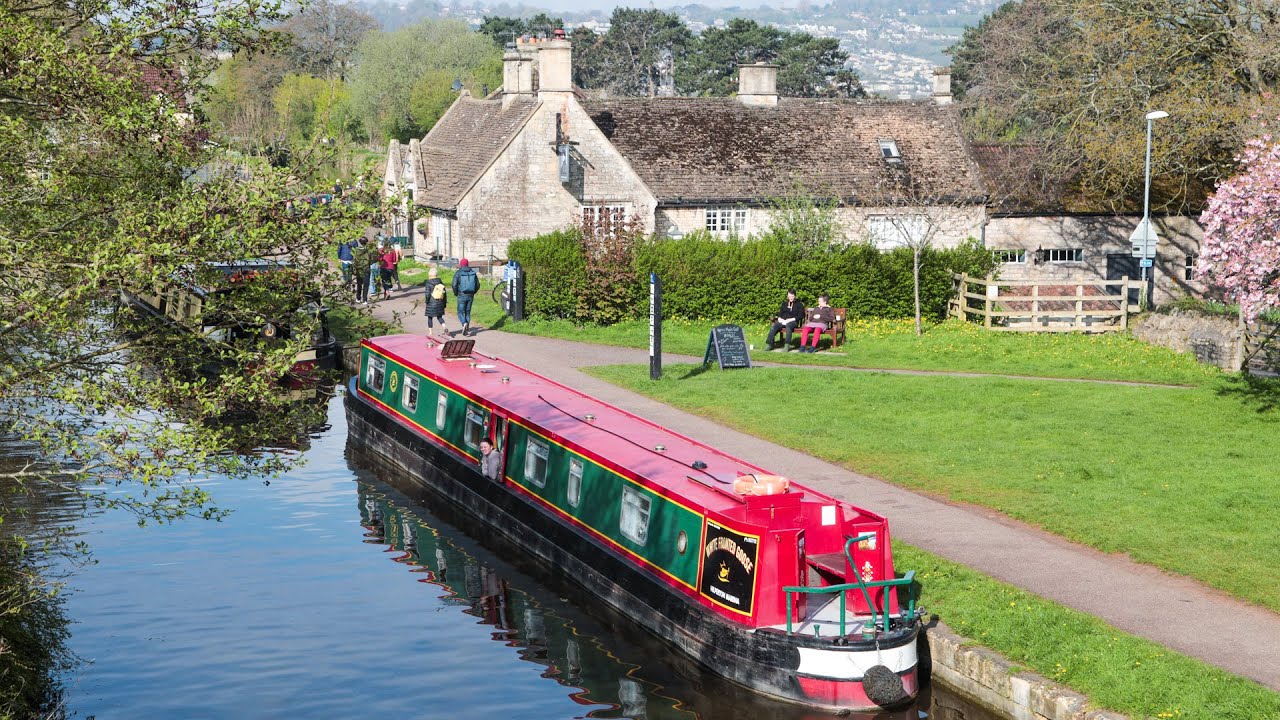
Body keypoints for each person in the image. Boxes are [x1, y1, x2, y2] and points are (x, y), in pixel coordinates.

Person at [451, 258, 480, 336]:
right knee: (467, 312)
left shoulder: (458, 273)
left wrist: (456, 293)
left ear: (461, 264)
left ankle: (464, 323)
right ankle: (466, 330)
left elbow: (454, 285)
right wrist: (473, 292)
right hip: (470, 295)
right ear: (467, 264)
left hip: (461, 295)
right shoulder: (473, 272)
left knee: (460, 312)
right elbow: (478, 285)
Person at [423, 266, 450, 335]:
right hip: (440, 302)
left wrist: (427, 301)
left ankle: (430, 332)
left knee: (430, 317)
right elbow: (444, 293)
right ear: (436, 274)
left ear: (429, 275)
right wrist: (444, 303)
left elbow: (427, 294)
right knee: (439, 317)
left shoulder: (428, 283)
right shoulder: (440, 282)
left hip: (431, 302)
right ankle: (444, 326)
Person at [351, 237, 375, 304]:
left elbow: (354, 260)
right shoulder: (369, 251)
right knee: (366, 285)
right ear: (366, 242)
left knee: (359, 284)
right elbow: (372, 260)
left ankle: (358, 298)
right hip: (366, 269)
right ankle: (364, 300)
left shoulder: (356, 250)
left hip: (359, 269)